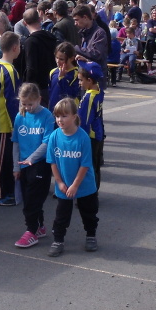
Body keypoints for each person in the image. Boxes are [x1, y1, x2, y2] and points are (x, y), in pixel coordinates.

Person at [45, 96, 99, 257]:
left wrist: (75, 185)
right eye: (57, 116)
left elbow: (85, 164)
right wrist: (59, 182)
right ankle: (58, 240)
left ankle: (91, 235)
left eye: (64, 116)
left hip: (84, 184)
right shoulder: (54, 136)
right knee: (61, 215)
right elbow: (52, 161)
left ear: (74, 117)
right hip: (64, 185)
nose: (60, 120)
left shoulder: (83, 138)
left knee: (88, 212)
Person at [12, 83, 55, 248]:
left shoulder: (47, 116)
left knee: (32, 200)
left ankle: (31, 230)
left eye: (31, 104)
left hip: (39, 163)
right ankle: (40, 226)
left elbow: (47, 142)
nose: (27, 107)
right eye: (24, 104)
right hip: (23, 164)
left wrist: (31, 158)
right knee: (27, 197)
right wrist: (16, 167)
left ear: (39, 99)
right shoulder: (20, 116)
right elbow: (16, 143)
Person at [0, 31, 21, 206]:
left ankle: (5, 190)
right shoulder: (9, 70)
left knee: (2, 158)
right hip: (2, 123)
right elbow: (11, 101)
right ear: (15, 48)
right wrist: (15, 124)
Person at [77, 60, 105, 186]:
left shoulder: (89, 98)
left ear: (89, 80)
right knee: (95, 163)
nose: (79, 83)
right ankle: (94, 188)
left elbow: (84, 121)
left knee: (90, 165)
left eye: (81, 80)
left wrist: (80, 139)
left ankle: (91, 190)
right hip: (98, 133)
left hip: (90, 136)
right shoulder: (99, 90)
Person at [20, 7, 58, 91]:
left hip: (38, 88)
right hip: (52, 83)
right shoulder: (51, 37)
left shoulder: (30, 42)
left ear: (24, 23)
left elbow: (30, 67)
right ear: (40, 19)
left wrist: (28, 89)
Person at [48, 42, 80, 111]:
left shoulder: (77, 74)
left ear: (71, 58)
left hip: (67, 111)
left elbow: (72, 94)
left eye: (61, 59)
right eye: (56, 58)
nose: (58, 61)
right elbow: (51, 92)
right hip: (53, 110)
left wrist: (62, 78)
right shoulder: (53, 71)